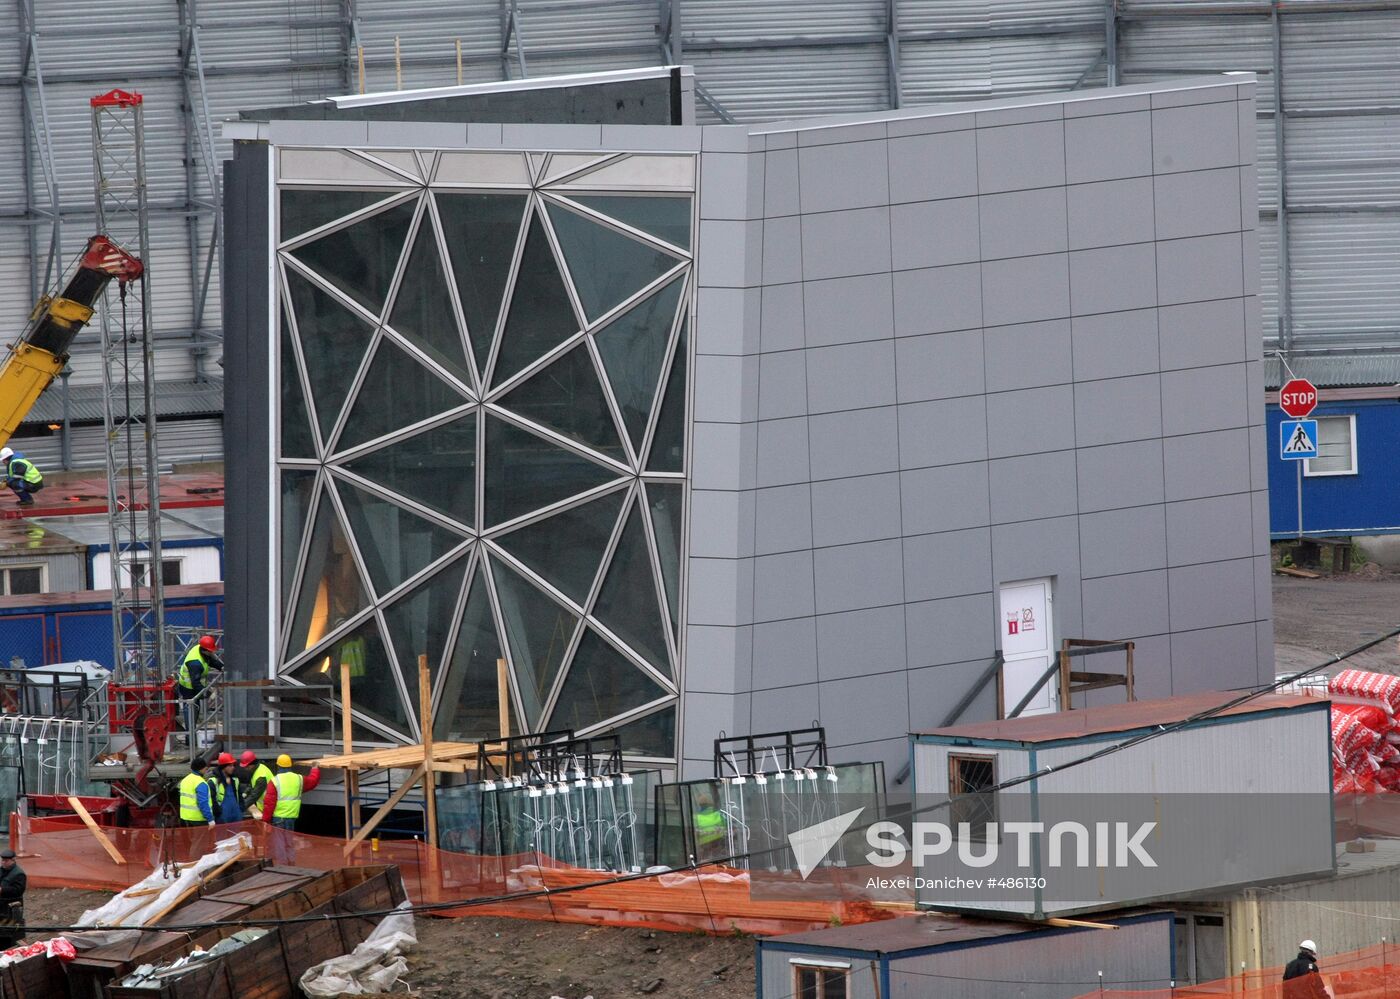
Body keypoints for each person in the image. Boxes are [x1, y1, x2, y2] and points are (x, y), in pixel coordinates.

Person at [262, 754, 321, 864]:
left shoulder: (275, 781)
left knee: (279, 843)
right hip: (291, 817)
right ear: (290, 765)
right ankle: (291, 863)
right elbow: (313, 782)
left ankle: (283, 865)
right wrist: (315, 769)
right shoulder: (298, 779)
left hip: (278, 818)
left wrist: (266, 820)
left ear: (278, 766)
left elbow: (269, 803)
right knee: (289, 842)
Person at [177, 635, 225, 734]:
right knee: (191, 711)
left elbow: (210, 660)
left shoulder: (200, 649)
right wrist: (208, 694)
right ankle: (190, 738)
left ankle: (192, 735)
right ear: (205, 650)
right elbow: (196, 683)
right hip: (188, 689)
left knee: (195, 710)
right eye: (210, 650)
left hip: (193, 685)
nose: (212, 652)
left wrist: (221, 667)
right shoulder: (195, 663)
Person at [178, 756, 218, 827]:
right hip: (198, 820)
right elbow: (203, 803)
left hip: (185, 819)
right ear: (201, 769)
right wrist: (210, 819)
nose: (206, 770)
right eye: (205, 768)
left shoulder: (185, 780)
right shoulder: (200, 783)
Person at [692, 792, 728, 864]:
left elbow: (694, 832)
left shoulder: (695, 817)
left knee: (705, 863)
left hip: (704, 845)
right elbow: (726, 827)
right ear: (711, 803)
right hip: (717, 843)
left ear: (700, 805)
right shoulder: (719, 814)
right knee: (719, 861)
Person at [0, 848, 26, 946]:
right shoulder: (1, 870)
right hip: (1, 907)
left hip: (11, 909)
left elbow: (18, 891)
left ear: (13, 860)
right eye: (2, 860)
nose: (3, 862)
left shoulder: (19, 873)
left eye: (6, 861)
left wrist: (2, 890)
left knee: (8, 933)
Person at [238, 750, 275, 816]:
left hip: (269, 808)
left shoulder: (261, 776)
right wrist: (245, 793)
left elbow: (254, 795)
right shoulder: (257, 769)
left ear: (253, 764)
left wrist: (240, 808)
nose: (246, 769)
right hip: (264, 807)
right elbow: (252, 784)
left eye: (247, 766)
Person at [212, 752, 243, 824]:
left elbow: (240, 797)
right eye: (230, 766)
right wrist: (218, 812)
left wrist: (241, 809)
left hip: (236, 816)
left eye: (233, 765)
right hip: (222, 817)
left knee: (236, 835)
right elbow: (212, 800)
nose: (233, 768)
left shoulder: (235, 780)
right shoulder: (214, 781)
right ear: (223, 767)